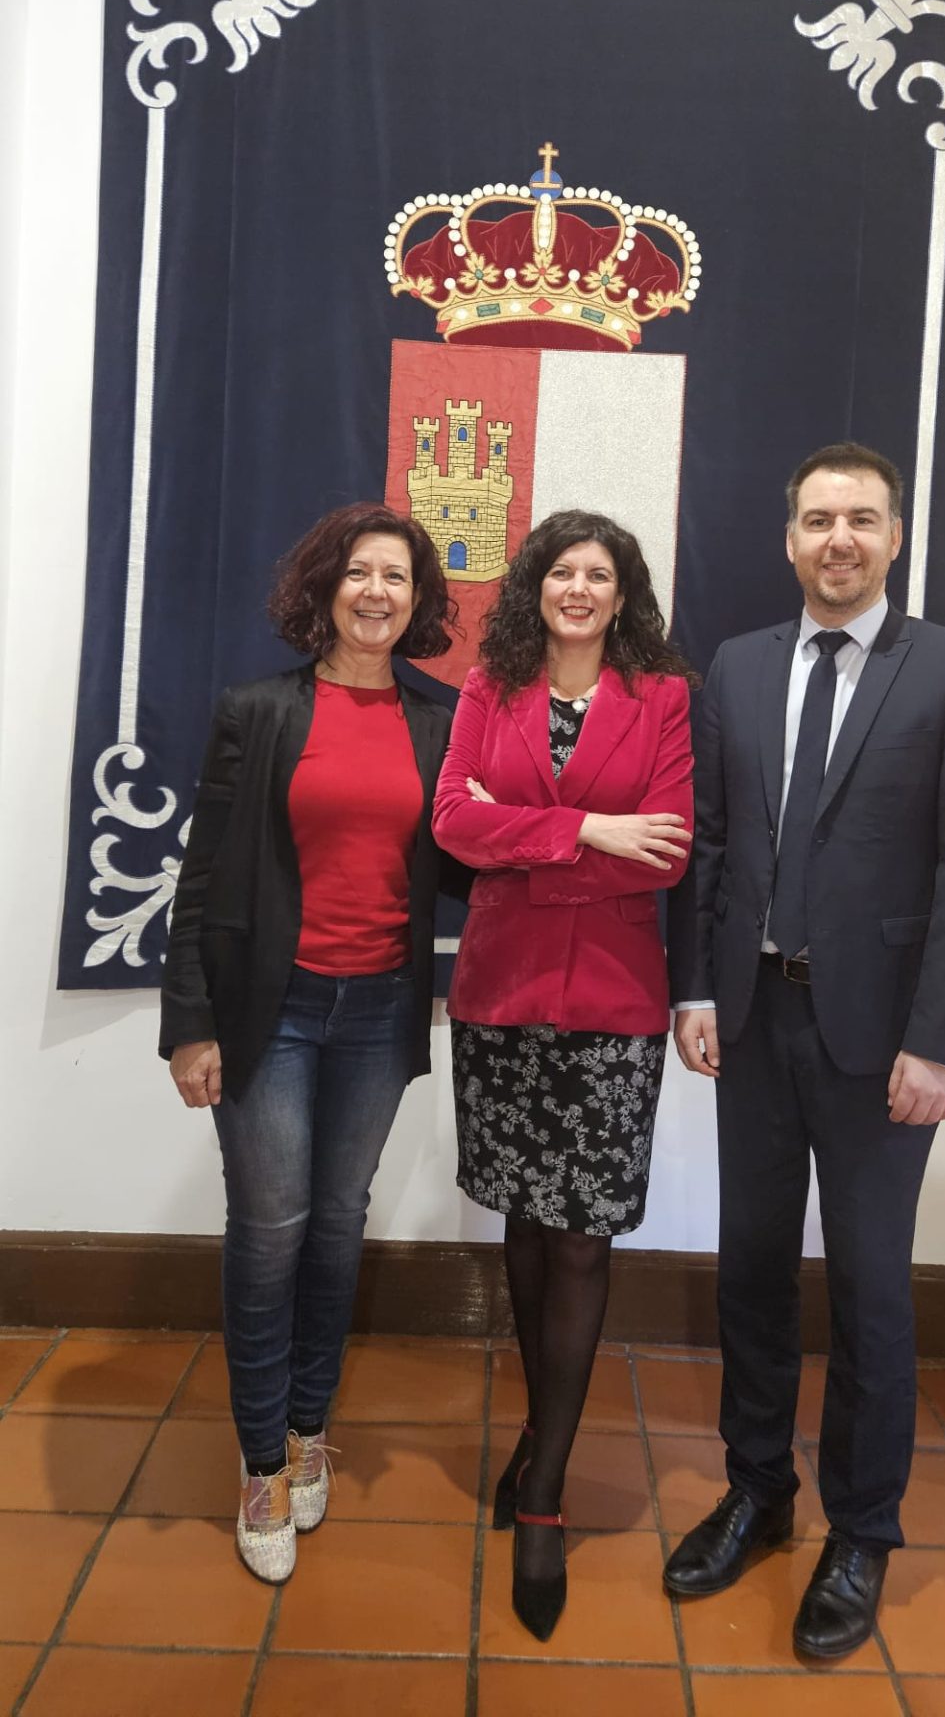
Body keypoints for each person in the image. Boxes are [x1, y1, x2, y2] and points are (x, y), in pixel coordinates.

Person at [666, 443, 945, 1660]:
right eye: (818, 519)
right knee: (752, 1272)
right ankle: (757, 1490)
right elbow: (712, 843)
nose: (838, 540)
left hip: (881, 1043)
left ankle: (862, 1528)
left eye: (861, 518)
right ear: (789, 539)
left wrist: (941, 1042)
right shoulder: (738, 665)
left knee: (868, 1289)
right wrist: (697, 988)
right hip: (754, 1019)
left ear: (894, 537)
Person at [160, 503, 464, 1583]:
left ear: (420, 602)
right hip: (270, 1011)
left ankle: (305, 1432)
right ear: (326, 588)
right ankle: (259, 1466)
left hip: (379, 1012)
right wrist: (189, 1025)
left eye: (398, 577)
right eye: (359, 573)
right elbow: (201, 879)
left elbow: (471, 859)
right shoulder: (257, 711)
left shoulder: (442, 722)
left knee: (337, 1228)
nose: (377, 592)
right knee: (270, 1232)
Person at [432, 509, 694, 1640]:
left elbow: (666, 847)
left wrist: (527, 834)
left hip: (612, 1004)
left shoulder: (663, 699)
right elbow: (452, 823)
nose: (578, 589)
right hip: (499, 994)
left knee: (581, 1238)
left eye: (598, 574)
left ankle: (542, 1489)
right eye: (560, 572)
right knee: (526, 1229)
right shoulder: (488, 690)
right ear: (533, 588)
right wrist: (589, 831)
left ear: (622, 595)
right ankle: (541, 1434)